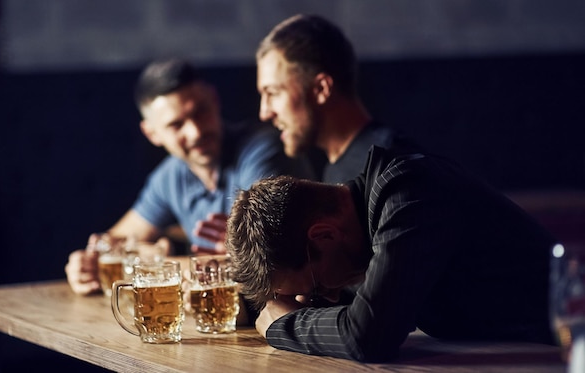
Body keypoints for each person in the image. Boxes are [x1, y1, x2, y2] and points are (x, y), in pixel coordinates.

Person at [226, 144, 557, 362]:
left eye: (313, 289)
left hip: (559, 351)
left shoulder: (407, 194)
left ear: (324, 235)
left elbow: (369, 335)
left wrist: (284, 325)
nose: (317, 298)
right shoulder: (360, 228)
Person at [66, 58, 313, 295]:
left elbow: (257, 266)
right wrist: (85, 265)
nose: (195, 132)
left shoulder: (263, 149)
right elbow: (114, 242)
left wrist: (154, 259)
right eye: (176, 125)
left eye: (200, 112)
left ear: (215, 101)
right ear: (152, 134)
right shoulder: (169, 176)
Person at [256, 13, 413, 183]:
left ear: (321, 89)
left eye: (273, 92)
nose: (264, 113)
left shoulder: (393, 169)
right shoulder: (338, 171)